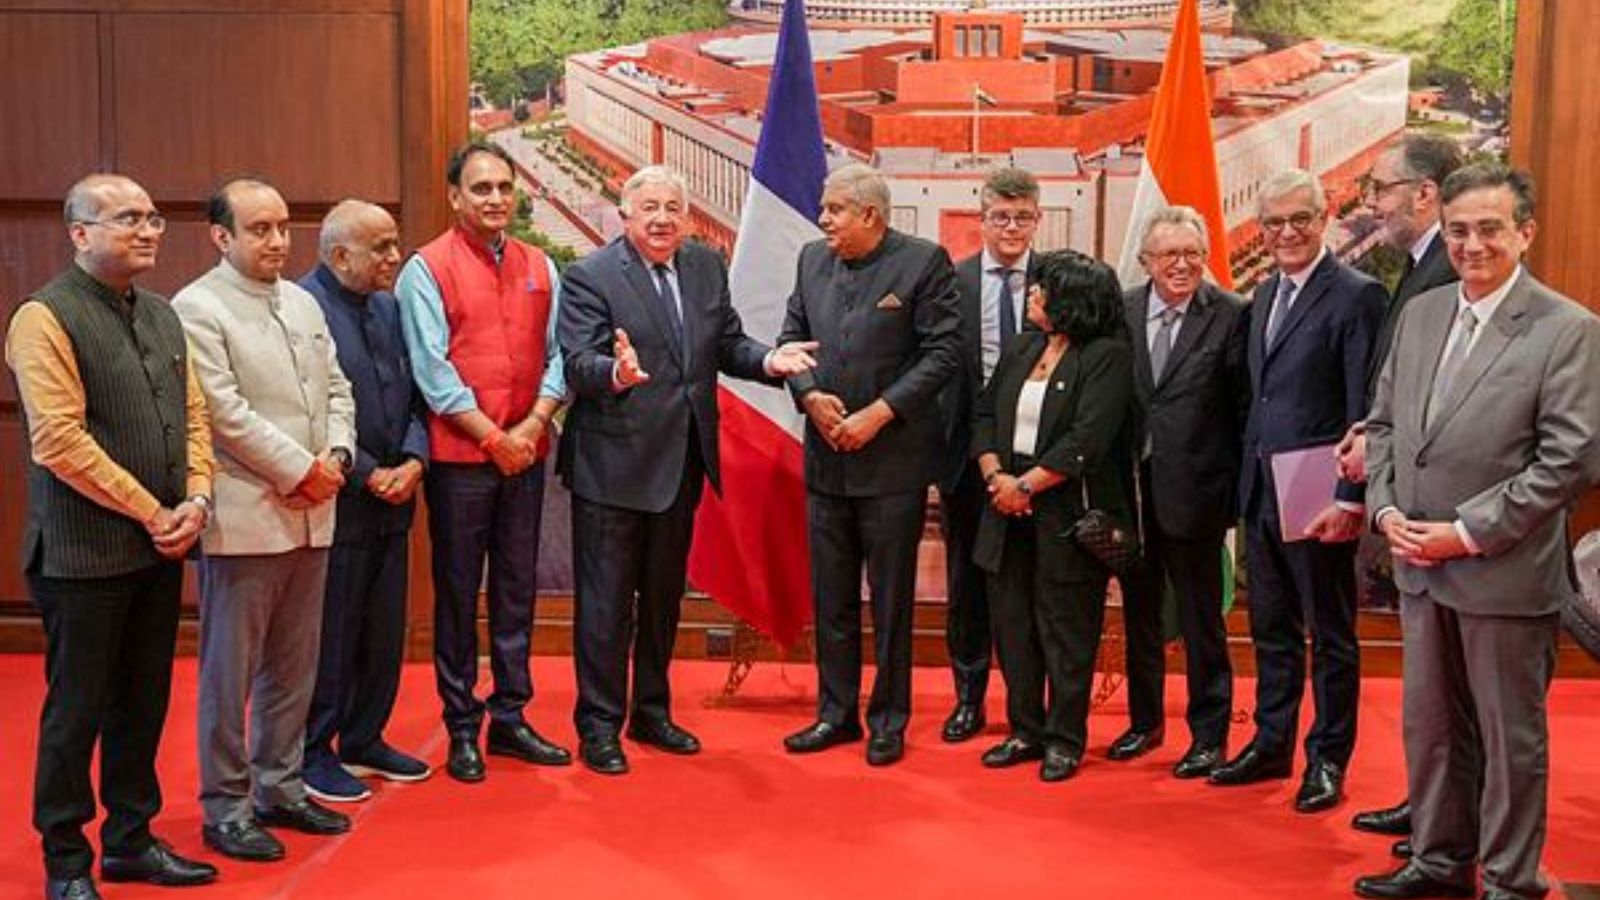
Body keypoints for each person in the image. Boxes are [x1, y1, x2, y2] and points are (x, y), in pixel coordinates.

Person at [1355, 163, 1600, 900]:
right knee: (1430, 729)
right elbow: (1385, 426)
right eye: (1458, 230)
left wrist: (1464, 533)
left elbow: (1569, 460)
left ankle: (1509, 880)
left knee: (1508, 740)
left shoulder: (1569, 329)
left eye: (1490, 228)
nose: (1472, 244)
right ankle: (1439, 862)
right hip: (1417, 566)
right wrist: (1386, 512)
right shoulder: (1422, 313)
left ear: (1525, 232)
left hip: (1503, 572)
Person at [557, 165, 817, 775]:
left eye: (672, 207)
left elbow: (726, 344)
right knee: (605, 606)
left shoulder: (704, 266)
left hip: (681, 465)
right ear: (625, 214)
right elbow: (577, 363)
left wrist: (769, 360)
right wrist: (616, 374)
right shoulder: (590, 276)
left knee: (662, 601)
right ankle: (599, 726)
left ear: (686, 216)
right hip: (612, 469)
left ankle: (651, 711)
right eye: (649, 207)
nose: (661, 219)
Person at [7, 174, 218, 900]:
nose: (149, 230)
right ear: (80, 233)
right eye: (128, 218)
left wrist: (196, 497)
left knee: (143, 702)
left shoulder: (161, 314)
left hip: (160, 546)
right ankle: (66, 860)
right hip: (81, 554)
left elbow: (193, 416)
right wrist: (153, 512)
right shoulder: (44, 317)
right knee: (78, 712)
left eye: (153, 217)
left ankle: (131, 840)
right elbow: (58, 442)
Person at [174, 177, 358, 860]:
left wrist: (336, 454)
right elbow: (223, 413)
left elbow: (337, 388)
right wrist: (300, 469)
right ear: (221, 236)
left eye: (283, 227)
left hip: (315, 509)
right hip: (247, 515)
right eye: (260, 229)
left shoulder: (303, 301)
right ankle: (225, 806)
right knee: (231, 673)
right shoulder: (197, 306)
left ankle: (280, 786)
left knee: (294, 665)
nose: (278, 240)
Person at [1208, 169, 1386, 813]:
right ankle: (1271, 742)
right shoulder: (1261, 295)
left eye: (1299, 219)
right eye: (1274, 222)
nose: (1286, 232)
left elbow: (1362, 405)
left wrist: (1348, 495)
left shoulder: (1359, 295)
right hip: (1261, 488)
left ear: (1324, 217)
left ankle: (1328, 759)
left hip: (1318, 490)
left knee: (1330, 635)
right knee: (1271, 628)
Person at [396, 141, 571, 782]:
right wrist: (494, 438)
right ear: (455, 197)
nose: (495, 199)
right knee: (457, 591)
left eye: (503, 187)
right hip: (462, 460)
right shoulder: (426, 268)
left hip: (526, 451)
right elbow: (432, 369)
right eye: (481, 188)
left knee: (516, 588)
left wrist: (533, 425)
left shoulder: (541, 265)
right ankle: (462, 725)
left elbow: (561, 354)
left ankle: (511, 717)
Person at [778, 163, 961, 767]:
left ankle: (888, 720)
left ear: (870, 215)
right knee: (831, 599)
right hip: (825, 461)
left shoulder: (923, 262)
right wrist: (809, 395)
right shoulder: (811, 259)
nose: (823, 220)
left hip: (893, 466)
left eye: (833, 210)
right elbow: (790, 341)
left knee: (890, 604)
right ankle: (835, 714)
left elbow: (942, 355)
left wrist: (879, 414)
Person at [970, 249, 1134, 783]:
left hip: (1064, 508)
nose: (1033, 294)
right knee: (1013, 626)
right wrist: (997, 477)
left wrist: (1026, 486)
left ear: (1073, 300)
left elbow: (1087, 438)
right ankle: (1025, 730)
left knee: (1066, 631)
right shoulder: (1024, 346)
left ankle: (1064, 739)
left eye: (1043, 288)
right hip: (1005, 503)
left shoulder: (1107, 355)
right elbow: (984, 412)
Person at [1341, 134, 1464, 846]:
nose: (1372, 204)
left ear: (1425, 193)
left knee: (1450, 687)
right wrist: (1371, 431)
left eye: (1381, 189)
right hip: (1413, 506)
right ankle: (1430, 804)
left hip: (1444, 514)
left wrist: (1376, 442)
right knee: (1430, 685)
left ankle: (1445, 824)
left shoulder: (1447, 272)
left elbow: (1444, 398)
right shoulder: (1421, 268)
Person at [297, 200, 431, 803]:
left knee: (382, 633)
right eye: (381, 248)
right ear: (339, 254)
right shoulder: (303, 309)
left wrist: (415, 460)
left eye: (395, 243)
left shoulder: (388, 307)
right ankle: (312, 750)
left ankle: (363, 737)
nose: (395, 257)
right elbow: (308, 413)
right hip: (340, 500)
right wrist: (371, 473)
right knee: (332, 634)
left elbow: (417, 395)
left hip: (395, 500)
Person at [1114, 206, 1248, 777]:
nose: (1182, 265)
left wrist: (1236, 495)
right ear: (1146, 261)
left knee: (1200, 621)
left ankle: (1209, 736)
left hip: (1199, 492)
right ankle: (1144, 724)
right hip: (1130, 492)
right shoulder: (1120, 311)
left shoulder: (1232, 314)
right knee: (1140, 613)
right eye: (1170, 254)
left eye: (1193, 254)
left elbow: (1243, 410)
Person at [937, 166, 1042, 744]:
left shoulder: (1055, 280)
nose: (1011, 228)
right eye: (1000, 217)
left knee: (1033, 587)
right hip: (965, 460)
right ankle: (968, 698)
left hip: (1037, 464)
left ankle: (1032, 706)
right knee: (968, 586)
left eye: (1022, 217)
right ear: (982, 220)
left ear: (1037, 220)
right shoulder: (953, 282)